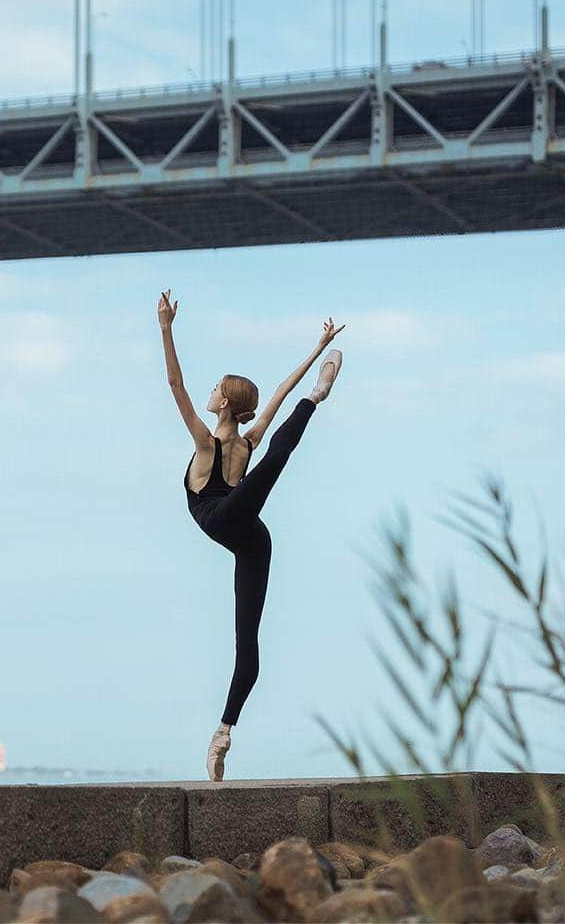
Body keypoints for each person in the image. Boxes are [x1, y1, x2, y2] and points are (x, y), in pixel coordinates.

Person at [158, 289, 344, 781]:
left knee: (249, 642)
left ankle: (223, 731)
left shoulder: (221, 441)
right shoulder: (226, 442)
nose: (209, 390)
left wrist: (165, 328)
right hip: (238, 524)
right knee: (270, 462)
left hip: (240, 529)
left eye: (217, 386)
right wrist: (316, 348)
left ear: (225, 401)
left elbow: (177, 383)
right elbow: (274, 392)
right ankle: (317, 399)